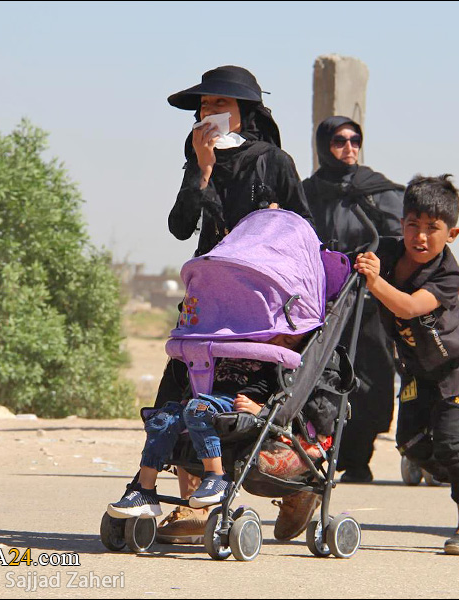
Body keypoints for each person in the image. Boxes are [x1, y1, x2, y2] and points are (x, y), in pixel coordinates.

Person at [153, 65, 314, 543]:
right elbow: (180, 227)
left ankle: (295, 485)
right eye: (204, 105)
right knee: (183, 383)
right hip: (210, 293)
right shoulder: (198, 154)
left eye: (220, 104)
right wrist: (201, 170)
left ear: (245, 111)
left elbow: (304, 230)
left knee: (260, 392)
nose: (210, 112)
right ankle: (193, 504)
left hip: (264, 300)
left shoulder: (273, 161)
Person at [354, 174, 459, 556]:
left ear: (451, 234)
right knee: (412, 445)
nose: (420, 236)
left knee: (451, 442)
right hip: (418, 368)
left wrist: (374, 282)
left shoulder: (447, 274)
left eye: (432, 228)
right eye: (412, 225)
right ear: (401, 223)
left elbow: (409, 307)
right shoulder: (385, 253)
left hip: (457, 366)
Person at [303, 116, 405, 483]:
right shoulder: (307, 192)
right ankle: (319, 451)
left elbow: (399, 239)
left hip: (367, 303)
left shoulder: (375, 190)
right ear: (324, 146)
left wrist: (373, 264)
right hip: (321, 302)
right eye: (339, 141)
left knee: (370, 377)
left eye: (355, 140)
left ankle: (359, 457)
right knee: (319, 374)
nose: (349, 148)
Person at [106, 333, 305, 518]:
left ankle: (216, 477)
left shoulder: (277, 363)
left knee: (198, 410)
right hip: (205, 397)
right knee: (161, 420)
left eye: (287, 341)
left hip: (234, 404)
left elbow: (283, 401)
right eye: (277, 334)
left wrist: (260, 409)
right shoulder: (230, 343)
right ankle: (144, 490)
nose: (278, 340)